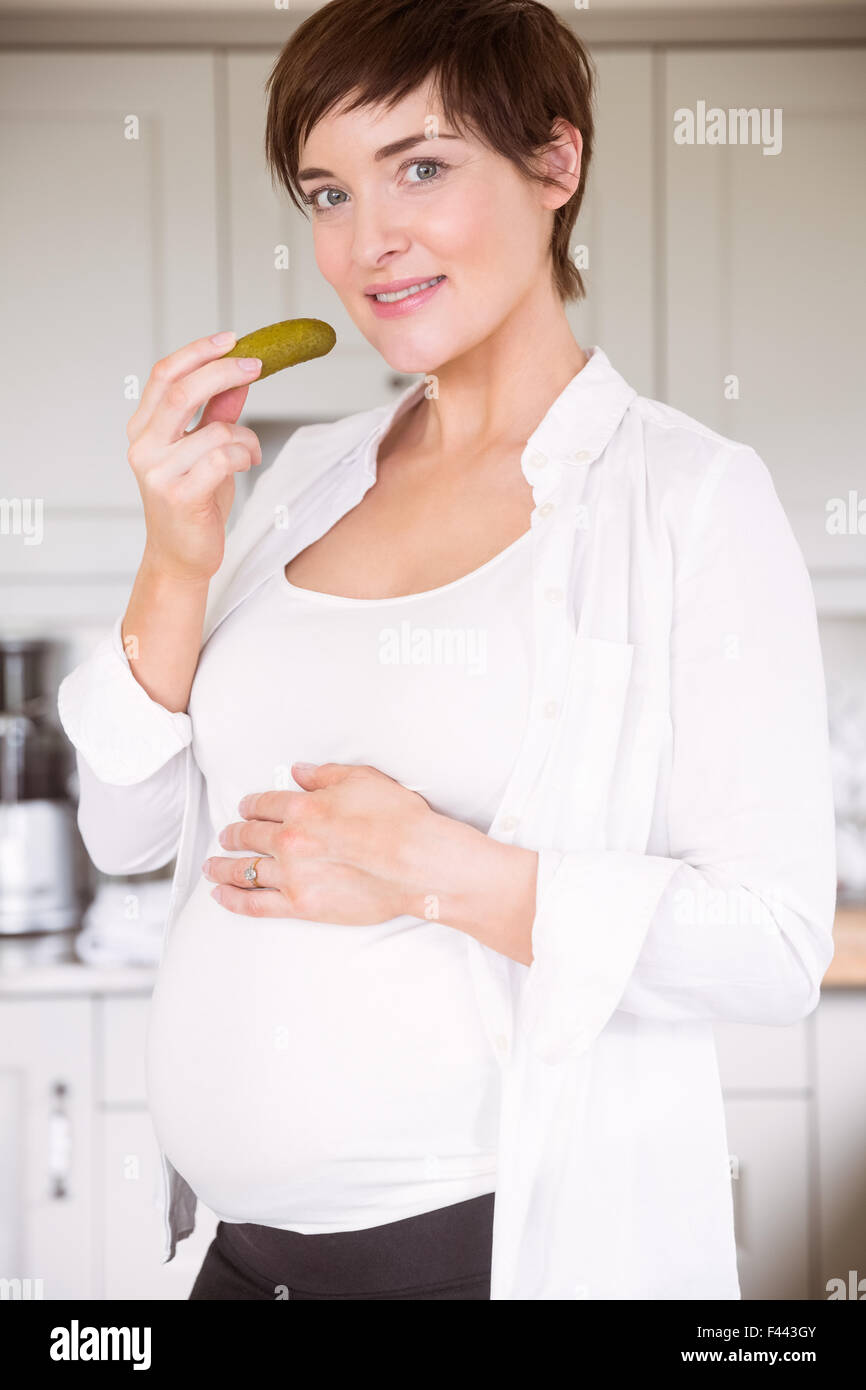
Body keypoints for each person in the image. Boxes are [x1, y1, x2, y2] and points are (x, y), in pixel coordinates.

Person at [57, 0, 836, 1301]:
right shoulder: (306, 475)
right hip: (234, 1263)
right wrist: (175, 557)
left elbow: (771, 941)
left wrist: (432, 867)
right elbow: (124, 833)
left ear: (553, 164)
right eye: (327, 189)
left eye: (421, 166)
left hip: (488, 1260)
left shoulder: (684, 496)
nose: (369, 241)